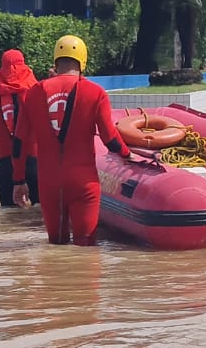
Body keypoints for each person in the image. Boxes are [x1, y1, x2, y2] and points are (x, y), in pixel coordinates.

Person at [11, 35, 135, 246]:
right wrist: (127, 154)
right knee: (85, 248)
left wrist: (18, 181)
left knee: (56, 245)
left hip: (50, 182)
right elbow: (109, 138)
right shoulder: (95, 93)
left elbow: (19, 142)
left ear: (56, 60)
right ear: (82, 60)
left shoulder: (34, 93)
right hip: (83, 181)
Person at [0, 49, 39, 208]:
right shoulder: (35, 94)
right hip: (34, 162)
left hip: (6, 164)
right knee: (39, 217)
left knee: (8, 217)